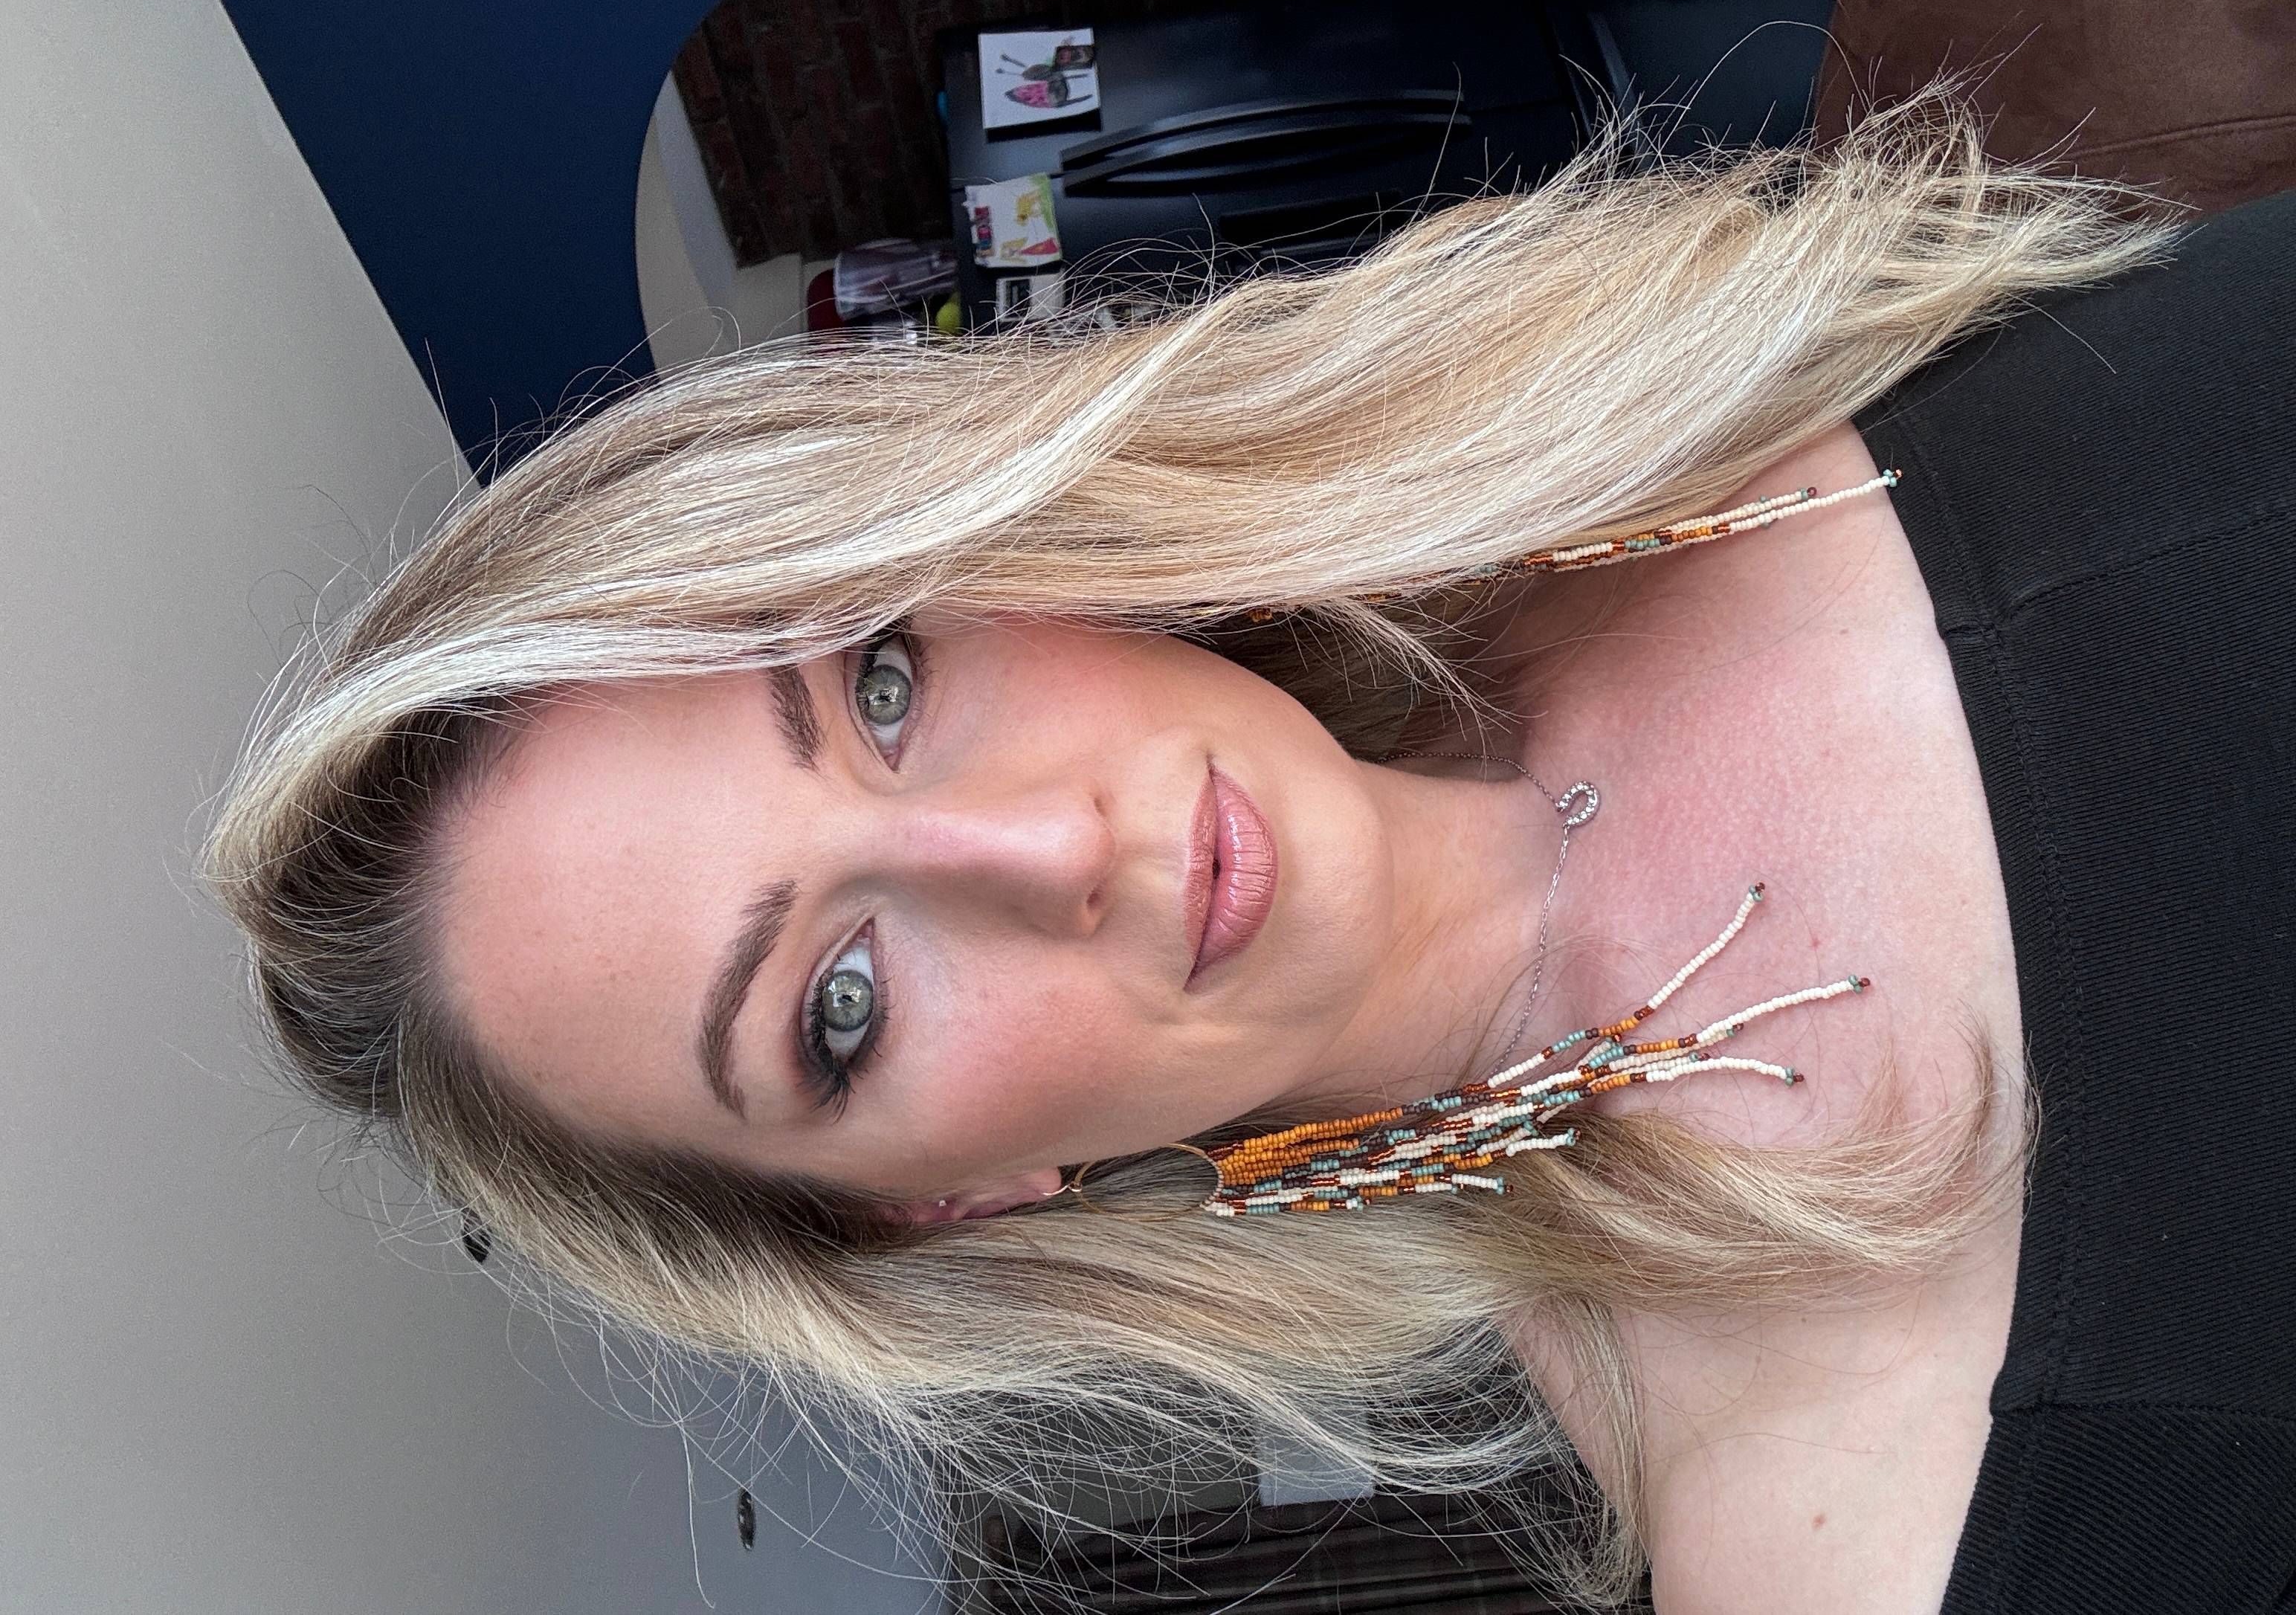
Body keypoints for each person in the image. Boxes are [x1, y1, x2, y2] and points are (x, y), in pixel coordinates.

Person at [202, 89, 2295, 1613]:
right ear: (938, 1203)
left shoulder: (1642, 367)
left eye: (885, 681)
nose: (1045, 844)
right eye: (840, 1006)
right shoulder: (1867, 1541)